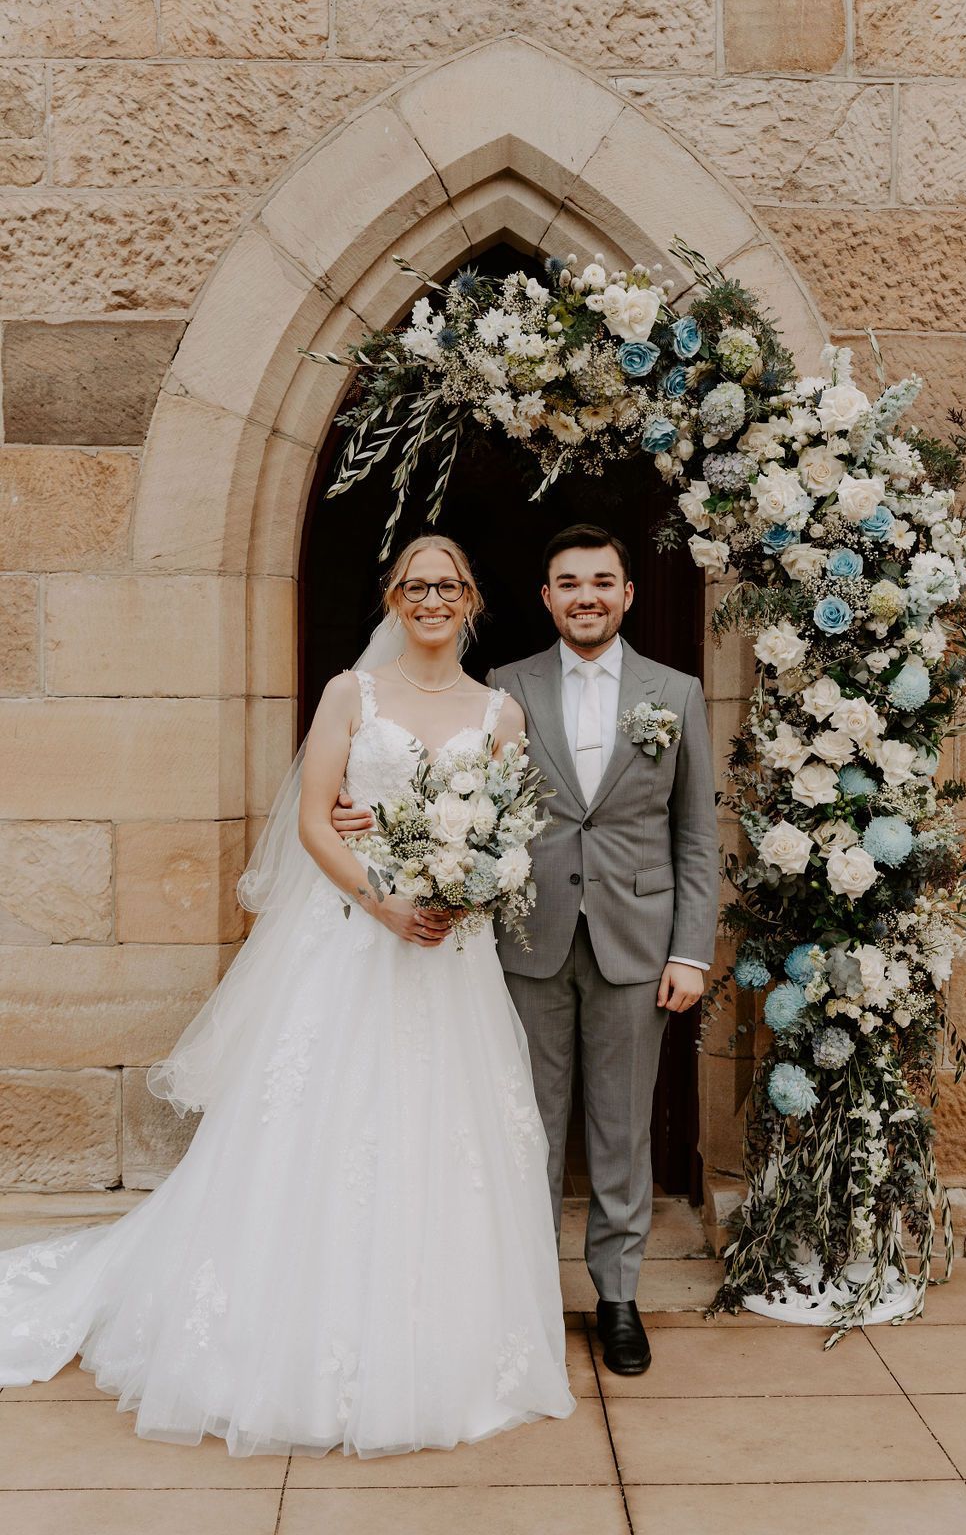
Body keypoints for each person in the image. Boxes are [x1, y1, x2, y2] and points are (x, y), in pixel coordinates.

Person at [0, 534, 575, 1459]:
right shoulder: (354, 695)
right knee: (324, 1128)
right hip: (357, 939)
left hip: (450, 955)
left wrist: (465, 887)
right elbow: (315, 820)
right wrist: (385, 902)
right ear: (394, 598)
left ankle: (446, 1348)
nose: (432, 598)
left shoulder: (500, 713)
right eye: (416, 584)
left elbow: (508, 835)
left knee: (449, 1132)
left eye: (449, 585)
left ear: (471, 600)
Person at [335, 523, 719, 1376]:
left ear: (628, 594)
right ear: (546, 598)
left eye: (602, 581)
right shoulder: (503, 690)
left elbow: (696, 836)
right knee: (523, 1131)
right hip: (519, 939)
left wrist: (690, 950)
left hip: (637, 943)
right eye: (569, 582)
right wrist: (358, 818)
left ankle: (617, 1298)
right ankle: (527, 1296)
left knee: (622, 1131)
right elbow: (438, 790)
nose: (586, 595)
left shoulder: (676, 692)